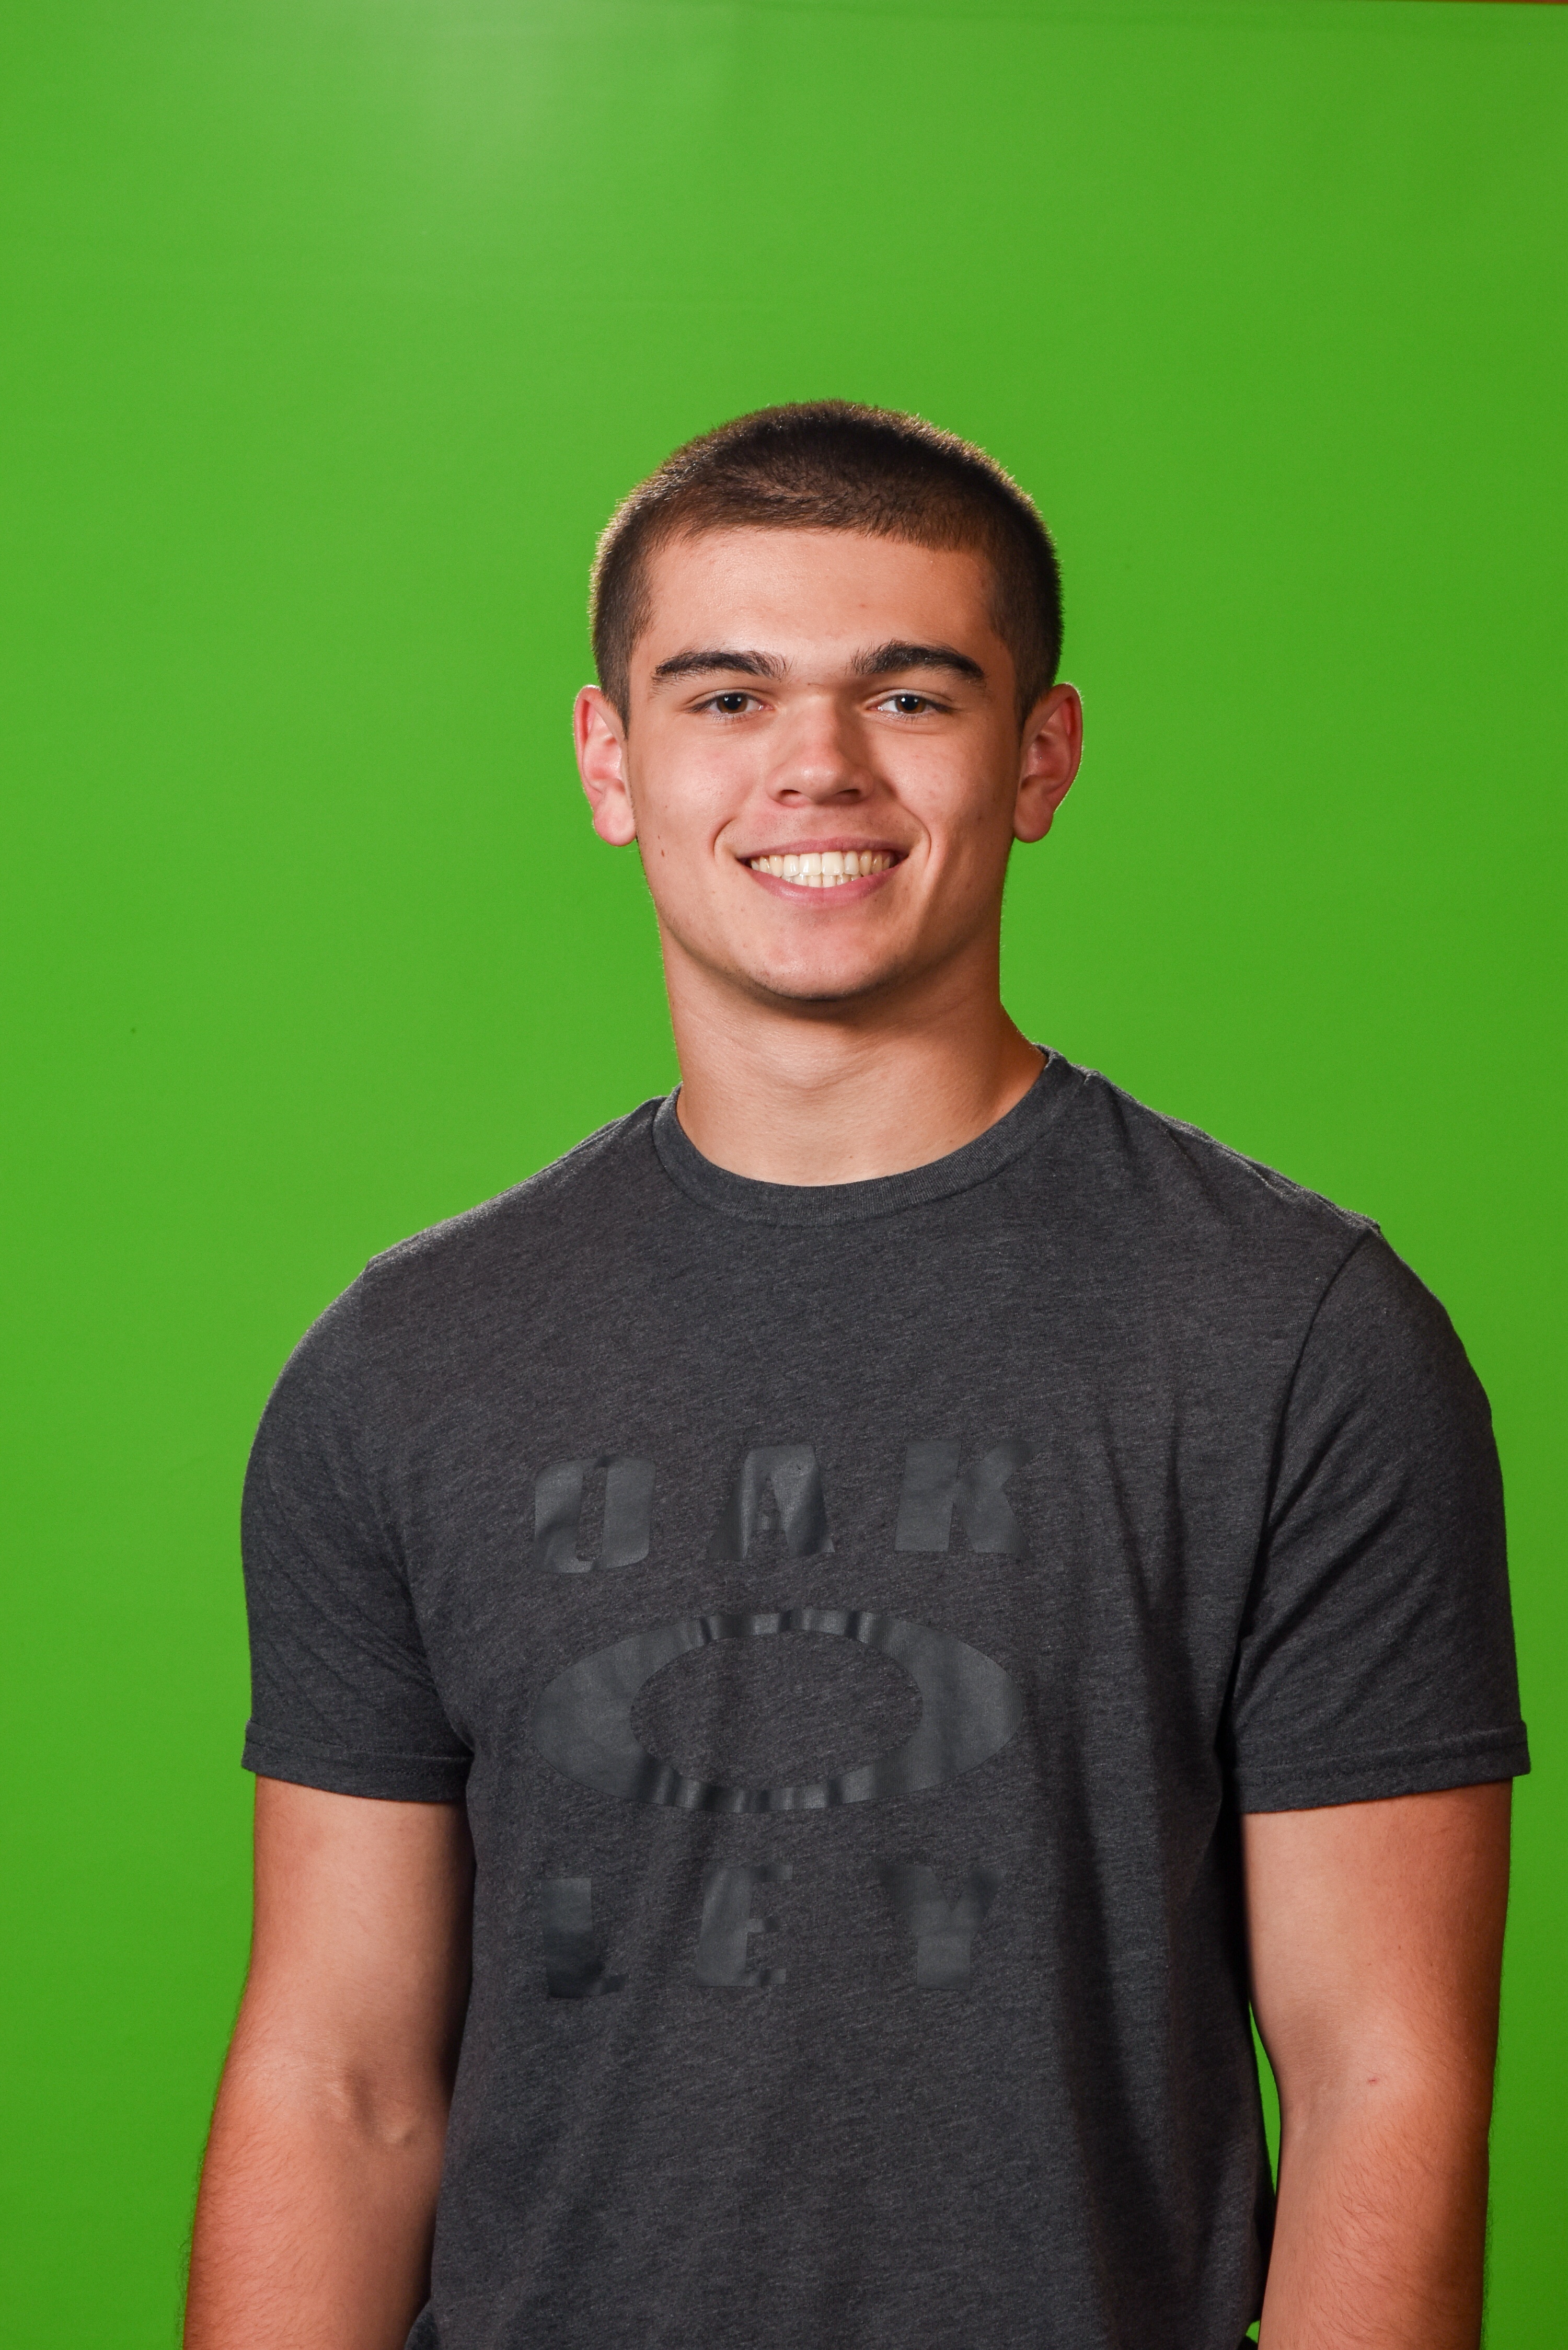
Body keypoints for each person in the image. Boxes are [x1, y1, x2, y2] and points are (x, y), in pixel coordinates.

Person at [185, 402, 1528, 2350]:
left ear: (1039, 756)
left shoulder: (1299, 1336)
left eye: (909, 696)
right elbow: (340, 2083)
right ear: (610, 761)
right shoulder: (404, 1365)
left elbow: (1383, 2081)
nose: (815, 766)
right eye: (726, 698)